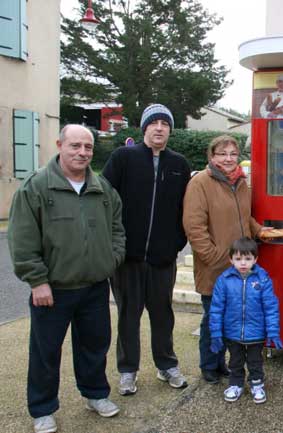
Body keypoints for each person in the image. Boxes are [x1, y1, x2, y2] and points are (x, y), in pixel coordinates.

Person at [8, 124, 125, 433]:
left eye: (87, 147)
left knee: (95, 346)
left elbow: (117, 229)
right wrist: (37, 280)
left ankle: (96, 394)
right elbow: (22, 239)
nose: (82, 152)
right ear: (59, 144)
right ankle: (42, 408)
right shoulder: (36, 188)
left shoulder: (102, 189)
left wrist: (111, 260)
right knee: (45, 352)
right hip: (52, 290)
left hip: (95, 287)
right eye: (75, 145)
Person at [102, 104, 191, 395]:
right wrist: (115, 244)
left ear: (170, 130)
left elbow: (184, 209)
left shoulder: (179, 164)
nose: (160, 128)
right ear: (144, 128)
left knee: (163, 314)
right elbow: (103, 200)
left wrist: (176, 243)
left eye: (165, 123)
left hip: (163, 258)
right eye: (154, 123)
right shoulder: (123, 158)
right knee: (128, 314)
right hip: (127, 257)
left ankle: (167, 365)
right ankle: (128, 371)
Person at [182, 135, 265, 384]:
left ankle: (221, 364)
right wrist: (215, 257)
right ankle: (209, 365)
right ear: (212, 157)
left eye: (232, 153)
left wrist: (260, 231)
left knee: (231, 317)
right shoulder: (200, 183)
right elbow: (194, 227)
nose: (228, 158)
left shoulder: (240, 182)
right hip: (215, 266)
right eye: (222, 153)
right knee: (213, 318)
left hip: (241, 265)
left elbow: (244, 216)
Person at [209, 237, 283, 404]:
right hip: (233, 333)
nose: (243, 263)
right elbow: (216, 309)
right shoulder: (224, 280)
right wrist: (215, 332)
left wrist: (273, 331)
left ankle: (257, 384)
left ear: (255, 259)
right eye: (238, 259)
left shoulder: (263, 279)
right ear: (231, 259)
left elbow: (271, 307)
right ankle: (235, 384)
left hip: (256, 333)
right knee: (235, 361)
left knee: (255, 361)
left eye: (248, 259)